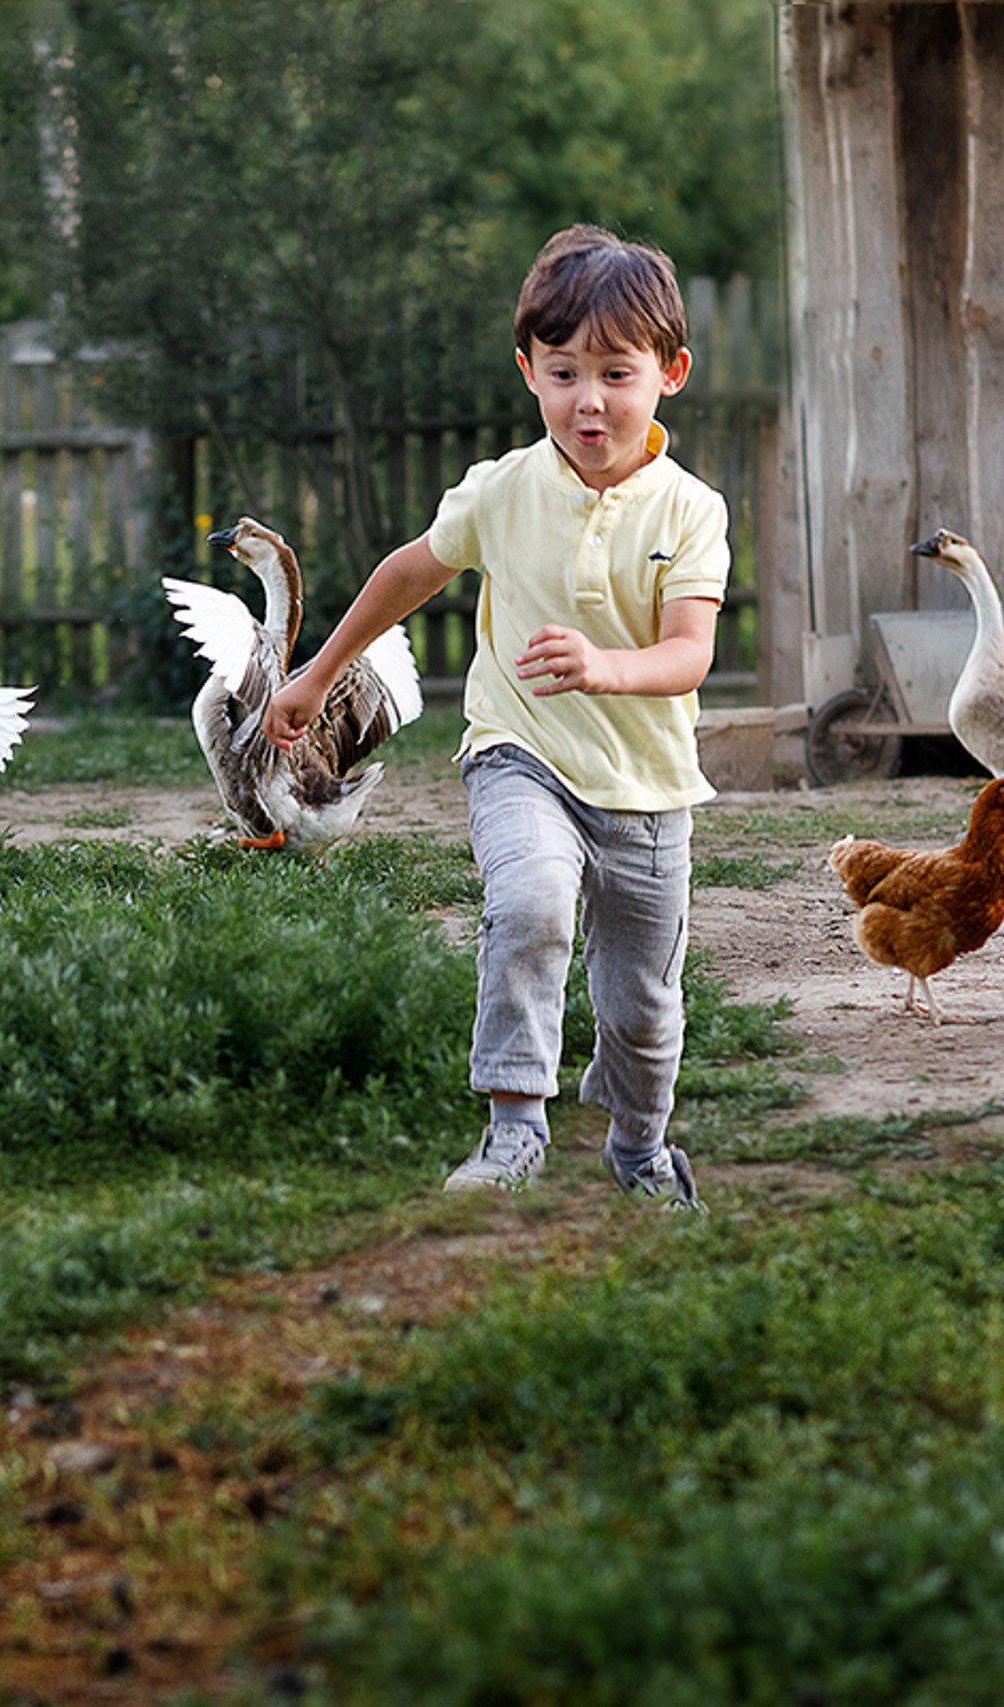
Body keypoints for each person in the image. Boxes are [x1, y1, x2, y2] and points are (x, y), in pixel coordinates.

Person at [261, 223, 728, 1209]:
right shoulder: (503, 489)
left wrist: (606, 666)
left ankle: (640, 1146)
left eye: (614, 372)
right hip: (518, 756)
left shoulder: (689, 511)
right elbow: (408, 572)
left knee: (641, 1004)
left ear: (669, 373)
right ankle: (513, 1128)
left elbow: (691, 653)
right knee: (528, 908)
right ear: (528, 372)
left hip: (646, 789)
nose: (587, 399)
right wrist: (316, 673)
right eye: (562, 373)